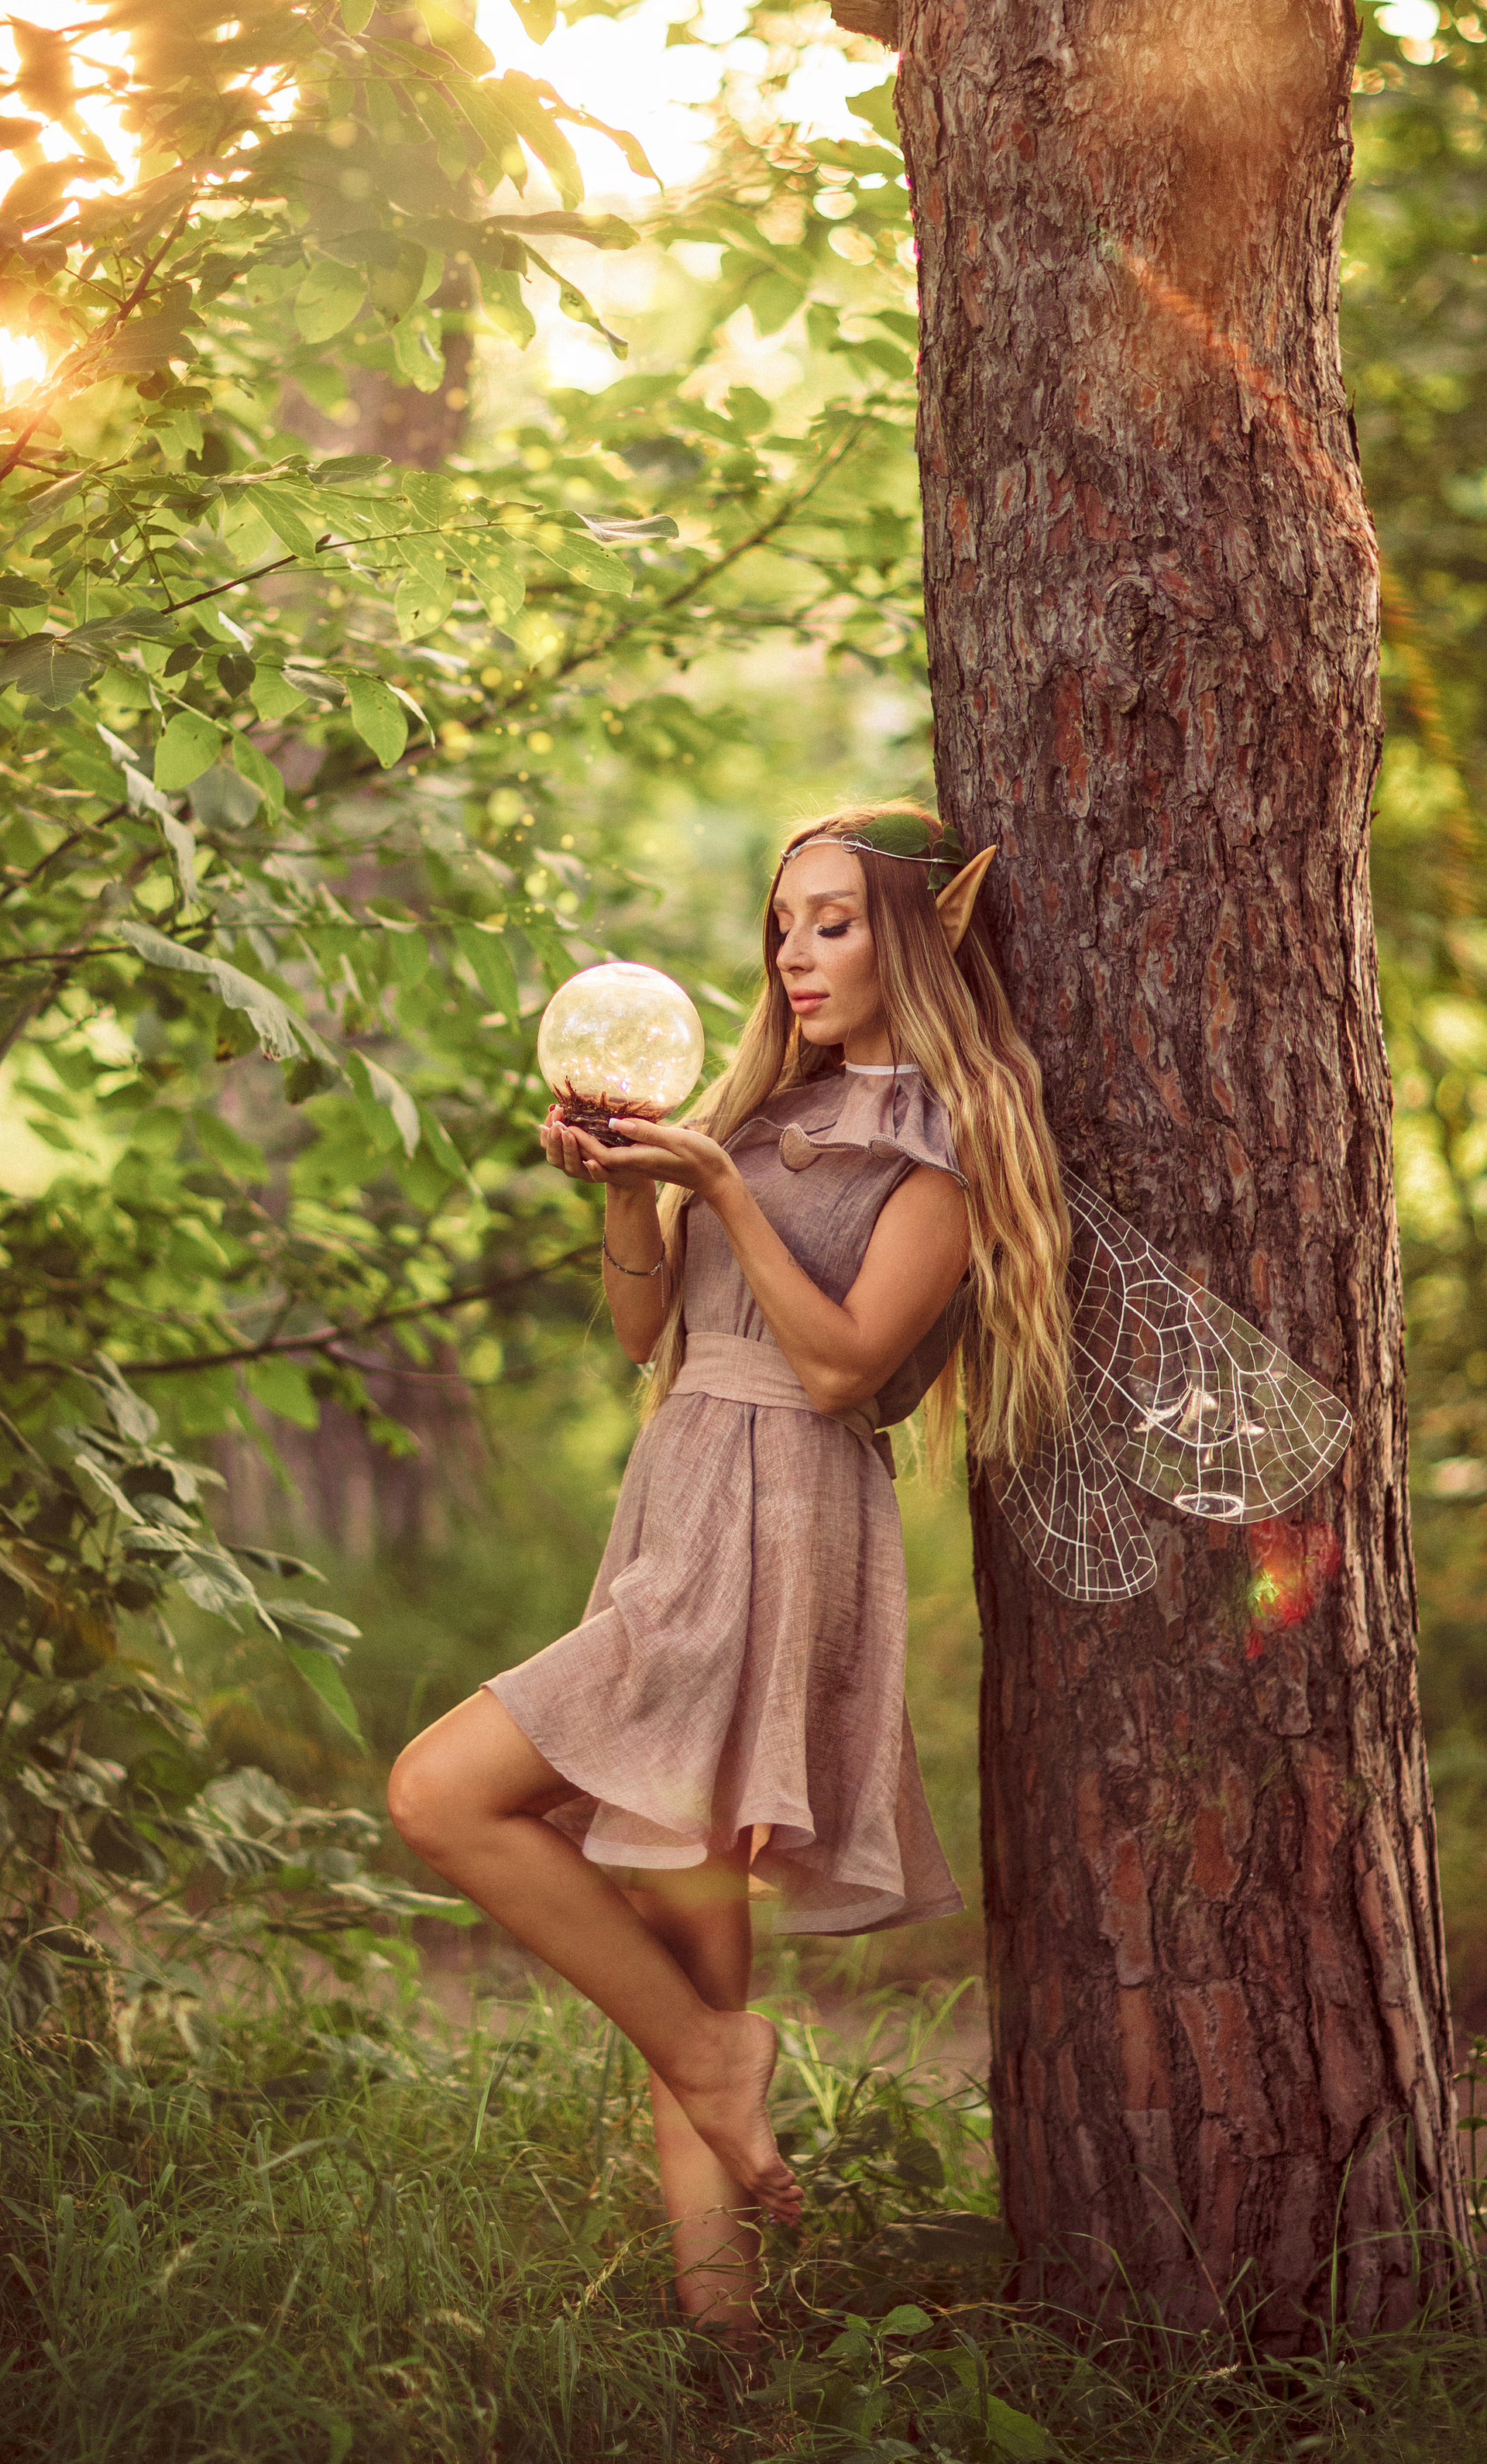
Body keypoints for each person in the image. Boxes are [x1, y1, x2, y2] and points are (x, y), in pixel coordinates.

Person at [386, 803, 1074, 2339]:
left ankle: (714, 2059)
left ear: (913, 938)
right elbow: (649, 1334)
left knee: (438, 1791)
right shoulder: (758, 1111)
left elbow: (839, 1367)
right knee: (691, 1945)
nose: (795, 954)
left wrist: (726, 1184)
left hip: (781, 1516)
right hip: (681, 1495)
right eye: (782, 924)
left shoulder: (945, 1144)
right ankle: (729, 2342)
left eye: (833, 920)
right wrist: (631, 1186)